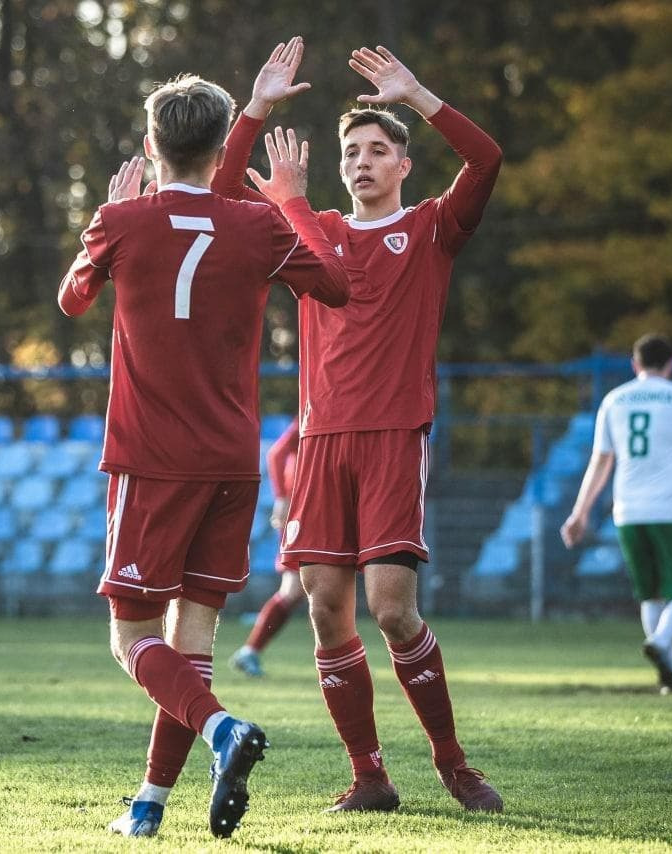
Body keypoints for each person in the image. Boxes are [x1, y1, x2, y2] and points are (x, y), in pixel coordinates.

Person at [57, 39, 350, 840]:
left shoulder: (120, 221)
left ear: (150, 145)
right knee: (191, 648)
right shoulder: (257, 225)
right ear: (223, 152)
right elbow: (335, 284)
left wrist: (99, 228)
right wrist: (291, 199)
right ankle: (149, 805)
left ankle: (223, 729)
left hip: (151, 461)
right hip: (231, 461)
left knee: (131, 641)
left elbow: (73, 301)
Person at [213, 43, 504, 814]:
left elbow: (486, 160)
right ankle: (370, 776)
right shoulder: (313, 231)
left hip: (391, 436)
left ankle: (454, 765)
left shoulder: (432, 227)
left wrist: (417, 95)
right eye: (351, 152)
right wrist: (256, 108)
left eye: (378, 150)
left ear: (404, 164)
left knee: (393, 608)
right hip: (320, 443)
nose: (363, 161)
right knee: (322, 607)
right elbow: (220, 192)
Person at [560, 333, 672, 693]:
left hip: (627, 511)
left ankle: (670, 674)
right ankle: (660, 641)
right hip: (671, 509)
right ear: (671, 365)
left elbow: (600, 462)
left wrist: (580, 513)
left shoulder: (614, 400)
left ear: (635, 365)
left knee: (651, 594)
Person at [230, 418, 305, 677]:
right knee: (294, 589)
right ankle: (250, 651)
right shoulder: (314, 408)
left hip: (322, 511)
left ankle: (250, 651)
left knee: (304, 591)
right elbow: (276, 453)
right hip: (301, 513)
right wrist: (282, 499)